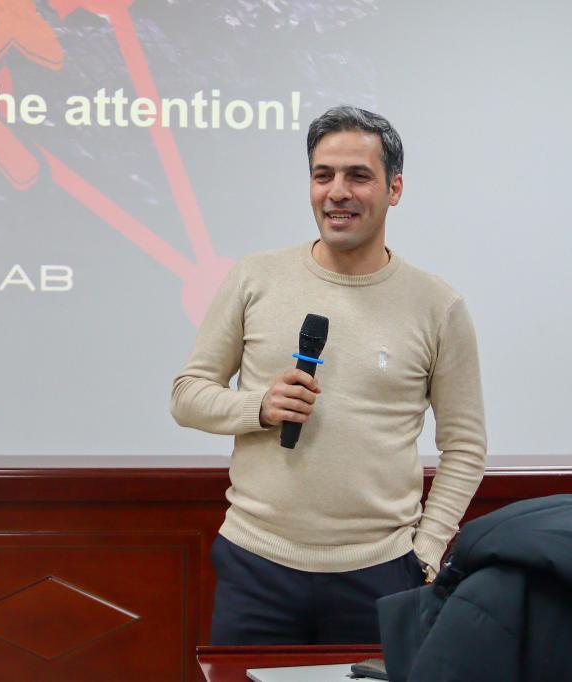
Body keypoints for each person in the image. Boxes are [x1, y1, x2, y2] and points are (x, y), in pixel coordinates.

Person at [170, 106, 487, 645]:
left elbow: (465, 446)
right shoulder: (254, 278)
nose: (337, 192)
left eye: (358, 176)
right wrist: (258, 407)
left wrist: (427, 552)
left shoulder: (437, 306)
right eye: (323, 175)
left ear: (394, 188)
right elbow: (187, 395)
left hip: (382, 575)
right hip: (256, 565)